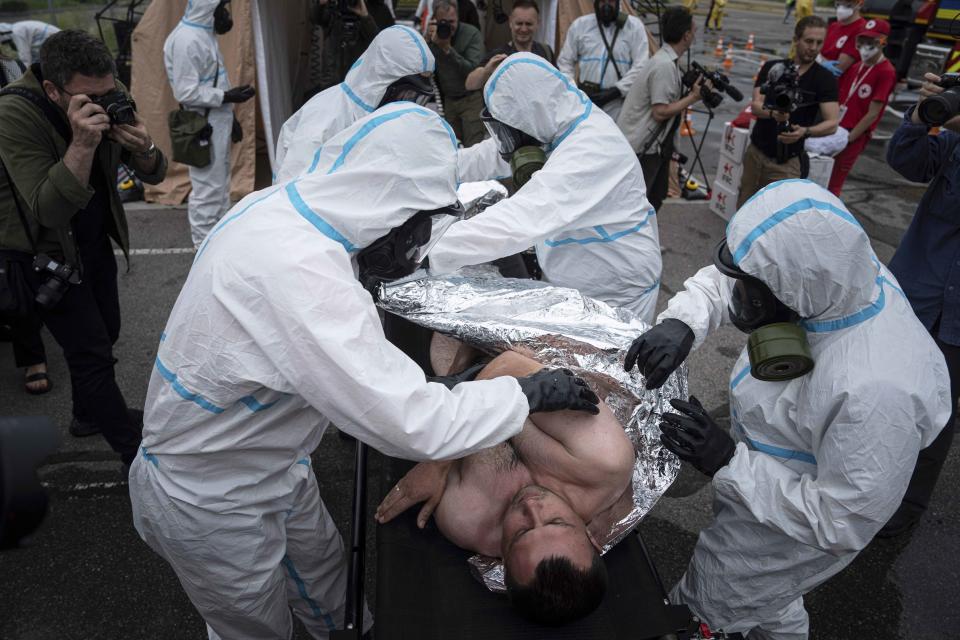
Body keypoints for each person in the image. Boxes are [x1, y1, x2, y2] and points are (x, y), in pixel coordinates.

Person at [129, 102, 600, 640]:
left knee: (326, 567)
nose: (412, 253)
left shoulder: (280, 211)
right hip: (210, 494)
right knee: (253, 626)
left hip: (268, 458)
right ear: (390, 205)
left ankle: (351, 631)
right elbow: (412, 423)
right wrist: (526, 394)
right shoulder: (301, 273)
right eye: (416, 233)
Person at [624, 179, 950, 638]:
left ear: (798, 290)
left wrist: (728, 463)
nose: (739, 301)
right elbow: (744, 268)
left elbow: (841, 521)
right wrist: (685, 320)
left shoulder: (879, 389)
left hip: (789, 533)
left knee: (709, 602)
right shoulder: (833, 272)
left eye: (751, 295)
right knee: (773, 606)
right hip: (768, 472)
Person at [0, 30, 167, 464]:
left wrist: (145, 147)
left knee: (106, 331)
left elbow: (154, 174)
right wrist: (82, 144)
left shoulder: (105, 87)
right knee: (90, 353)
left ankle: (87, 415)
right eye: (88, 98)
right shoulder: (13, 113)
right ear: (53, 89)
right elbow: (48, 210)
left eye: (107, 91)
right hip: (44, 252)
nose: (103, 101)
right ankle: (139, 458)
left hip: (92, 239)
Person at [376, 349, 635, 625]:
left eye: (522, 531)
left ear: (501, 562)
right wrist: (438, 463)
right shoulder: (603, 461)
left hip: (453, 360)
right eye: (556, 521)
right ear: (592, 538)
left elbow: (445, 402)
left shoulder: (465, 517)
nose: (531, 506)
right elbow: (509, 362)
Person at [429, 53, 663, 324]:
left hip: (616, 298)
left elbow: (519, 219)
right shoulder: (556, 123)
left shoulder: (593, 149)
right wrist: (432, 172)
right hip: (575, 285)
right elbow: (492, 154)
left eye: (510, 131)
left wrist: (424, 251)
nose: (508, 143)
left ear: (531, 115)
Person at [882, 73, 960, 537]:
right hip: (917, 289)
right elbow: (905, 161)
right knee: (886, 389)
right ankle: (866, 478)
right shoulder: (951, 137)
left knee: (938, 412)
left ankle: (906, 506)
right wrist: (920, 117)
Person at [274, 25, 435, 183]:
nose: (410, 103)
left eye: (418, 97)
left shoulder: (382, 116)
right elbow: (291, 190)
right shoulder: (325, 117)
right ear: (384, 79)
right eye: (408, 94)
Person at [163, 0, 256, 248]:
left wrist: (231, 115)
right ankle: (202, 247)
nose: (226, 14)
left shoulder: (203, 35)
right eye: (221, 9)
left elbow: (215, 80)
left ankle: (219, 241)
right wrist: (227, 97)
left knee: (220, 183)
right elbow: (185, 92)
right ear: (207, 10)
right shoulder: (187, 40)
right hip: (202, 123)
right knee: (207, 189)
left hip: (216, 120)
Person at [738, 16, 839, 208]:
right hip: (756, 153)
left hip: (787, 162)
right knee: (744, 206)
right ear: (796, 40)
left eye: (819, 43)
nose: (814, 47)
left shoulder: (825, 79)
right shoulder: (773, 69)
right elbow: (756, 105)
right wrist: (773, 114)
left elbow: (832, 123)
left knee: (776, 217)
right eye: (809, 41)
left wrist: (805, 132)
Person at [618, 6, 704, 212]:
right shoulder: (664, 65)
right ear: (686, 35)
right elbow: (660, 111)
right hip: (643, 147)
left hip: (652, 146)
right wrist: (693, 97)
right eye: (693, 31)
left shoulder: (666, 61)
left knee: (655, 198)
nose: (694, 35)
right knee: (639, 204)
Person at [827, 19, 896, 196]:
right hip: (837, 128)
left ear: (882, 42)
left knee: (835, 182)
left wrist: (848, 139)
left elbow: (873, 113)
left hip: (853, 135)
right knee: (823, 173)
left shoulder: (886, 71)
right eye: (863, 42)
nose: (866, 47)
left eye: (872, 42)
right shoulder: (857, 66)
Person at [557, 0, 650, 121]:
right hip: (586, 102)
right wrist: (574, 91)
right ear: (595, 3)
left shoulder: (634, 26)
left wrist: (616, 91)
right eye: (602, 1)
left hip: (619, 104)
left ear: (618, 3)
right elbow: (565, 61)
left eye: (611, 1)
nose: (606, 6)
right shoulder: (580, 25)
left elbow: (641, 65)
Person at [428, 0, 486, 146]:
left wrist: (448, 50)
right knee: (452, 147)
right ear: (435, 20)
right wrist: (427, 40)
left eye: (452, 21)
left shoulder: (471, 34)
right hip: (449, 101)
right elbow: (423, 70)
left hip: (471, 100)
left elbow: (473, 70)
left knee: (474, 149)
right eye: (443, 22)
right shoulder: (433, 37)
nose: (448, 26)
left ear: (458, 17)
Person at [464, 0, 553, 92]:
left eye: (528, 24)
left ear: (538, 23)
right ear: (510, 22)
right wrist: (486, 71)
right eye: (519, 23)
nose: (523, 29)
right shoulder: (498, 55)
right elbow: (470, 85)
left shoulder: (546, 51)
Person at [313, 0, 392, 92]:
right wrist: (321, 5)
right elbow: (317, 19)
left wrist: (365, 16)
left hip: (361, 82)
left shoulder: (379, 9)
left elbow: (381, 43)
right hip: (332, 81)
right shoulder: (335, 7)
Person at [819, 0, 866, 77]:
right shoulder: (834, 26)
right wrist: (819, 60)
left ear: (860, 4)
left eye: (847, 4)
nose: (841, 8)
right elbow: (813, 51)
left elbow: (837, 69)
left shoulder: (861, 30)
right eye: (838, 3)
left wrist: (817, 59)